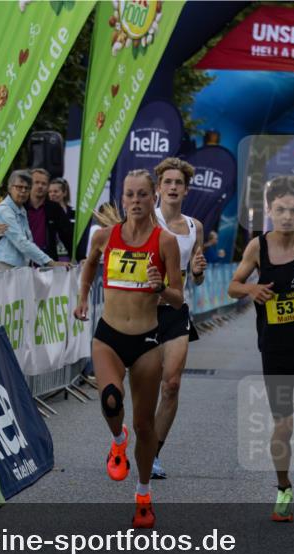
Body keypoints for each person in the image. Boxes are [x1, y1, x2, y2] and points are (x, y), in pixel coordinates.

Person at [73, 169, 184, 529]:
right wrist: (82, 298)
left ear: (154, 198)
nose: (135, 201)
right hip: (109, 336)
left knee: (145, 424)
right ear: (122, 199)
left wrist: (160, 289)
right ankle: (117, 441)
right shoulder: (105, 236)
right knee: (109, 399)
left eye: (142, 195)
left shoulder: (165, 242)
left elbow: (179, 299)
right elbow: (89, 266)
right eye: (129, 195)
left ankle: (143, 493)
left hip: (148, 341)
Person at [228, 175, 294, 522]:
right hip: (274, 349)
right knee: (282, 425)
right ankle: (283, 488)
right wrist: (251, 291)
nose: (287, 216)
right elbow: (233, 285)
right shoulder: (258, 247)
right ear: (270, 211)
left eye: (293, 210)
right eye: (280, 210)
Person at [149, 157, 208, 479]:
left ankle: (153, 454)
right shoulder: (147, 219)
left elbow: (195, 278)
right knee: (143, 386)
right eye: (167, 182)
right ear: (158, 188)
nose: (173, 188)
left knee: (170, 385)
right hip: (141, 312)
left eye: (178, 183)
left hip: (175, 311)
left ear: (186, 190)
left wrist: (198, 272)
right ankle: (125, 437)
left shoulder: (194, 227)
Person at [0, 170, 67, 272]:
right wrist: (50, 262)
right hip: (2, 267)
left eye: (27, 188)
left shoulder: (20, 209)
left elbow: (28, 240)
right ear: (10, 188)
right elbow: (21, 242)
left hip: (17, 268)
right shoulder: (4, 210)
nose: (23, 191)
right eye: (19, 187)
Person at [25, 168, 74, 262]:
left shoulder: (55, 208)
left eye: (44, 184)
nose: (40, 186)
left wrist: (79, 257)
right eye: (37, 182)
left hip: (47, 262)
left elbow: (68, 236)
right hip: (23, 262)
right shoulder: (21, 206)